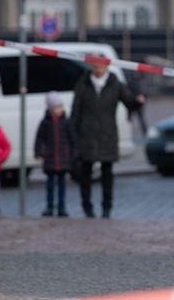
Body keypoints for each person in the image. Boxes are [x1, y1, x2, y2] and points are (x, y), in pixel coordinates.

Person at [69, 59, 145, 218]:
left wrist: (138, 102)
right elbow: (75, 111)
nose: (97, 69)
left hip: (107, 135)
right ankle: (87, 207)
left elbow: (129, 102)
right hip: (86, 135)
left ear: (106, 66)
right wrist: (74, 136)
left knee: (107, 174)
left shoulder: (115, 84)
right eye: (95, 66)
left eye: (100, 66)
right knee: (85, 173)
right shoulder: (83, 83)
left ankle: (106, 207)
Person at [35, 92, 73, 217]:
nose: (59, 109)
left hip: (63, 159)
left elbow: (72, 139)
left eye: (60, 106)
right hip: (50, 159)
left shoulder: (66, 122)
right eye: (56, 107)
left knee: (62, 185)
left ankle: (61, 207)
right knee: (50, 186)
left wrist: (73, 154)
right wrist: (39, 152)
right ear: (51, 109)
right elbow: (39, 139)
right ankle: (50, 206)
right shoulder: (45, 123)